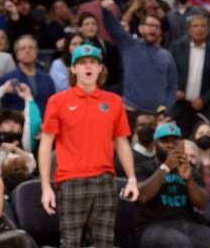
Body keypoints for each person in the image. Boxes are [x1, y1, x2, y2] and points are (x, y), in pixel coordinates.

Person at [37, 44, 139, 248]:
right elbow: (45, 144)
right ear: (73, 69)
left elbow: (122, 142)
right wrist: (46, 186)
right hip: (70, 180)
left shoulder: (114, 102)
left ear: (101, 68)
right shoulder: (58, 101)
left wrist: (132, 178)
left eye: (93, 62)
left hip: (104, 180)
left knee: (105, 243)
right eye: (82, 63)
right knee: (70, 243)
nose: (88, 67)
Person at [135, 122, 210, 248]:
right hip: (153, 225)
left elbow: (203, 204)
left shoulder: (190, 170)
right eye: (165, 141)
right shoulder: (144, 168)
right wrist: (166, 167)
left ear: (182, 144)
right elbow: (142, 196)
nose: (170, 145)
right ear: (155, 144)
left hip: (187, 224)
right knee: (182, 244)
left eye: (175, 141)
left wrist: (189, 180)